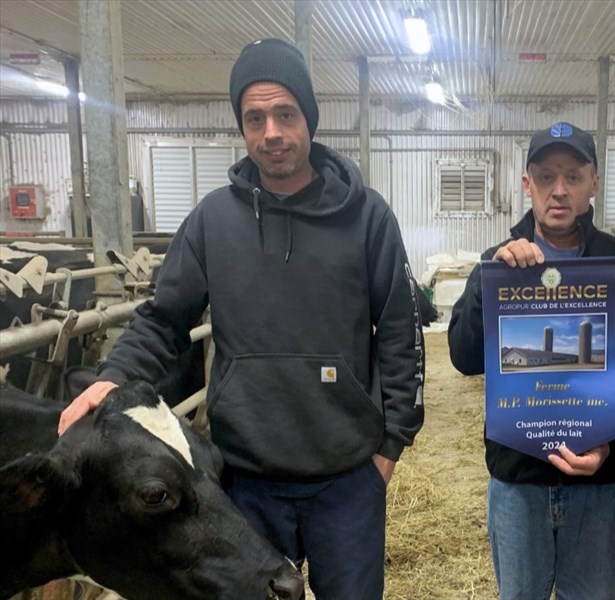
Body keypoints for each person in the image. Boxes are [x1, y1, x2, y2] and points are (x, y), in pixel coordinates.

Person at [58, 38, 425, 599]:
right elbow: (163, 320)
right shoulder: (211, 221)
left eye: (285, 114)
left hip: (349, 478)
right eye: (255, 118)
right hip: (245, 482)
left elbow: (401, 333)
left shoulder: (368, 218)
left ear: (309, 117)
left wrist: (388, 448)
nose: (272, 132)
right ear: (242, 124)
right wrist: (111, 377)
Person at [447, 122, 615, 600]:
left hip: (601, 484)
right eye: (546, 177)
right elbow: (464, 358)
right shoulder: (498, 263)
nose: (560, 190)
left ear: (595, 182)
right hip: (518, 481)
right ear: (527, 185)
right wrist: (492, 286)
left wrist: (606, 438)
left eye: (573, 175)